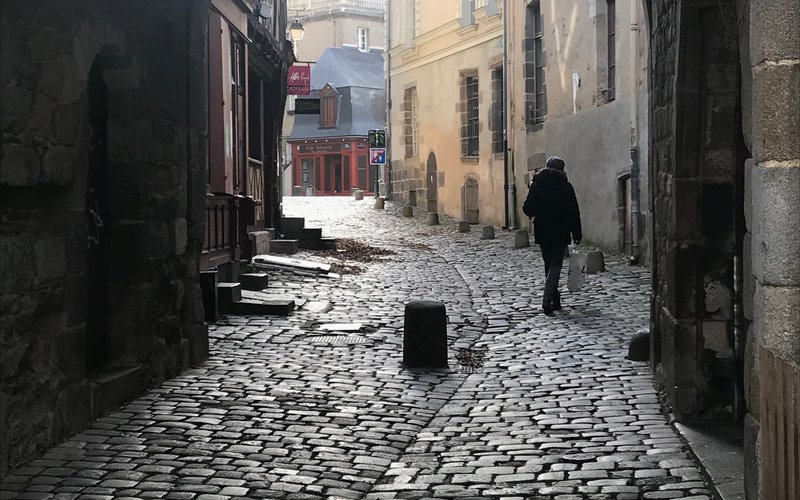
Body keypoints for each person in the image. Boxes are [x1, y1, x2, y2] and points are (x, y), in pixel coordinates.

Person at [522, 155, 582, 315]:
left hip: (543, 230)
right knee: (555, 265)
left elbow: (528, 208)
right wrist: (577, 233)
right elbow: (574, 212)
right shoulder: (566, 186)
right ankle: (548, 298)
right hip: (561, 230)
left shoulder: (538, 184)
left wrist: (538, 209)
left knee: (548, 264)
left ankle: (554, 299)